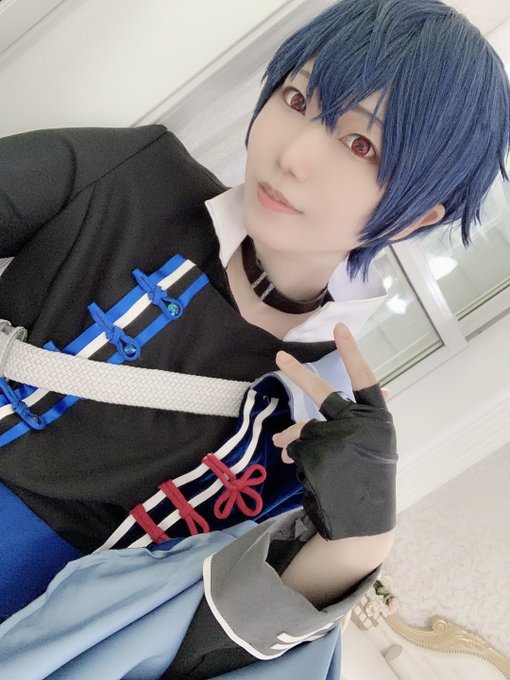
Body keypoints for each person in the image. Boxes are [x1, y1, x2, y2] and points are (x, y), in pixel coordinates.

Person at [0, 0, 508, 677]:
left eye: (360, 145)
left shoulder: (320, 421)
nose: (291, 155)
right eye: (296, 99)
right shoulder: (130, 178)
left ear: (417, 216)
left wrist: (357, 548)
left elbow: (205, 651)